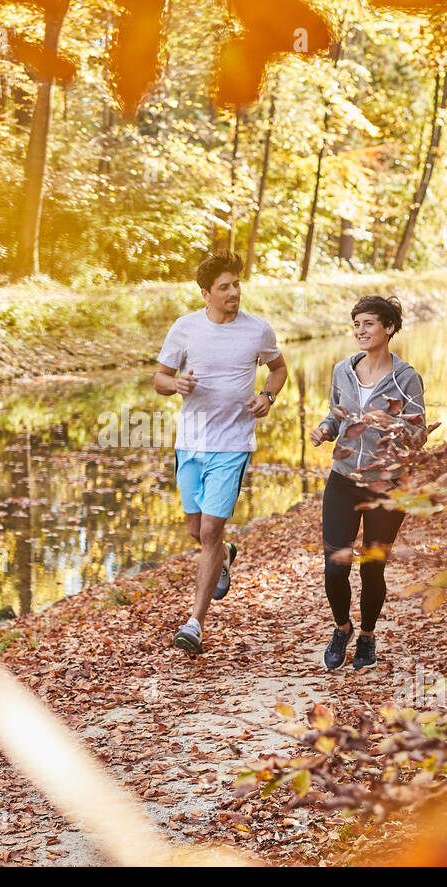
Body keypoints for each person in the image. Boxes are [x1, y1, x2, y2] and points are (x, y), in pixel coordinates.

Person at [153, 252, 287, 656]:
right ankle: (225, 555)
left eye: (237, 285)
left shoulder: (257, 330)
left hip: (232, 444)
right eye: (225, 287)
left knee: (209, 532)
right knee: (198, 532)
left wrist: (267, 396)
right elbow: (159, 378)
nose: (234, 292)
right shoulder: (185, 328)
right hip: (189, 442)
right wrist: (175, 386)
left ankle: (195, 623)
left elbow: (279, 370)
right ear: (206, 293)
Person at [309, 295, 426, 671]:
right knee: (334, 565)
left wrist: (391, 426)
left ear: (388, 328)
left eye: (369, 323)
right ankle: (342, 627)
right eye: (357, 324)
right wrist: (326, 429)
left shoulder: (406, 377)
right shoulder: (343, 369)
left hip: (387, 485)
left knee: (372, 568)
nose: (360, 331)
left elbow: (418, 432)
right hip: (343, 479)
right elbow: (337, 414)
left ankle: (368, 636)